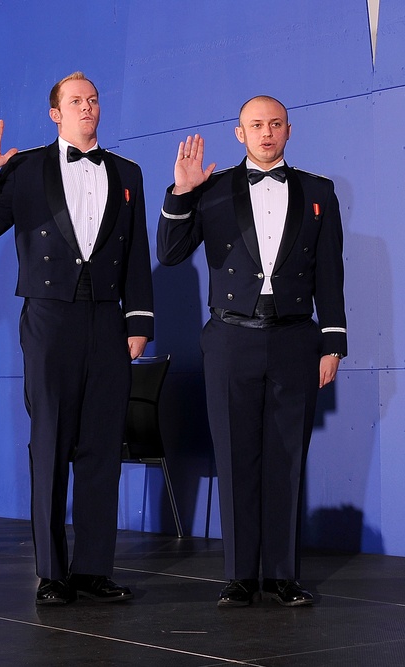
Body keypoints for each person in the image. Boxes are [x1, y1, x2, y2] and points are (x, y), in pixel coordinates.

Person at [0, 72, 154, 605]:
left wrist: (139, 321)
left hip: (108, 319)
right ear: (56, 114)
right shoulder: (25, 167)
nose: (87, 107)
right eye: (75, 101)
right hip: (49, 319)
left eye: (93, 99)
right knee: (49, 443)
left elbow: (137, 252)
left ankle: (93, 570)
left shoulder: (128, 173)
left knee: (101, 446)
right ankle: (52, 573)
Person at [157, 96, 347, 607]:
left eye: (275, 124)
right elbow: (170, 254)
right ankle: (240, 576)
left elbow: (330, 272)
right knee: (235, 456)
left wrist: (333, 342)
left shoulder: (319, 192)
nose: (267, 133)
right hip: (230, 337)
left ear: (289, 130)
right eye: (256, 125)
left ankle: (283, 576)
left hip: (295, 339)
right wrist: (182, 192)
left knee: (287, 459)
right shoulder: (210, 189)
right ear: (239, 133)